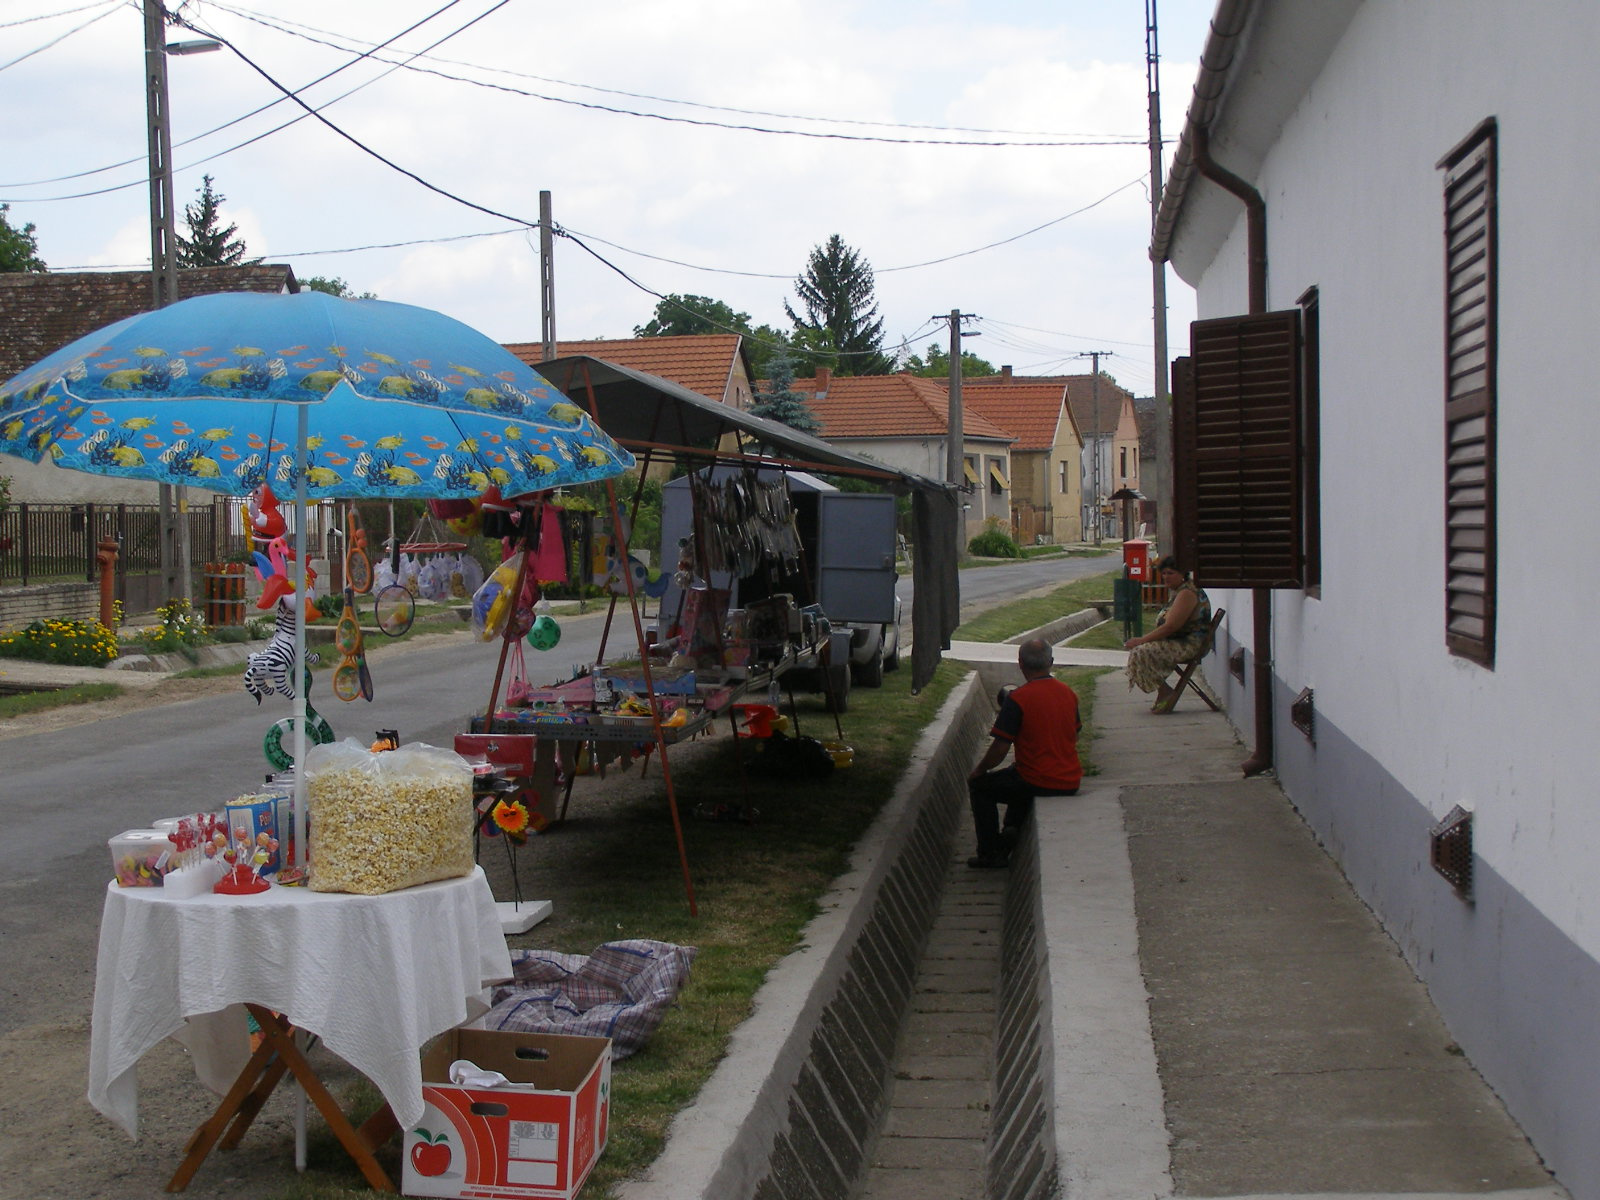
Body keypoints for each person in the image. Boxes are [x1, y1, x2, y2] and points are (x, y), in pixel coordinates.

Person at [966, 638, 1082, 868]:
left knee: (982, 788)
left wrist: (979, 770)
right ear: (1051, 662)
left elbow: (1000, 749)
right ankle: (1012, 828)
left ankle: (990, 853)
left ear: (1020, 664)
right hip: (1070, 779)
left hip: (1037, 779)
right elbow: (1075, 734)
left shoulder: (1018, 699)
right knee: (1015, 775)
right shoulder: (1068, 693)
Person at [1124, 555, 1212, 713]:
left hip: (1190, 645)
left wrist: (1141, 640)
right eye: (1163, 573)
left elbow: (1171, 626)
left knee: (1141, 652)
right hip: (1179, 640)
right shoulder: (1179, 591)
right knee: (1140, 651)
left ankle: (1165, 692)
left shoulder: (1187, 593)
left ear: (1182, 574)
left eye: (1170, 573)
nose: (1165, 577)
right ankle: (1163, 691)